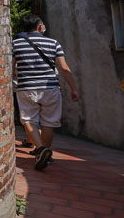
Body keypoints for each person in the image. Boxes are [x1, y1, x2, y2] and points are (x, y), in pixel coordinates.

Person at [11, 14, 80, 170]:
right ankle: (45, 156)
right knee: (49, 122)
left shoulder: (15, 44)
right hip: (50, 88)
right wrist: (73, 89)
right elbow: (64, 68)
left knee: (28, 119)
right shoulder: (53, 43)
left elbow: (11, 69)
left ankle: (41, 149)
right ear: (40, 27)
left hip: (26, 88)